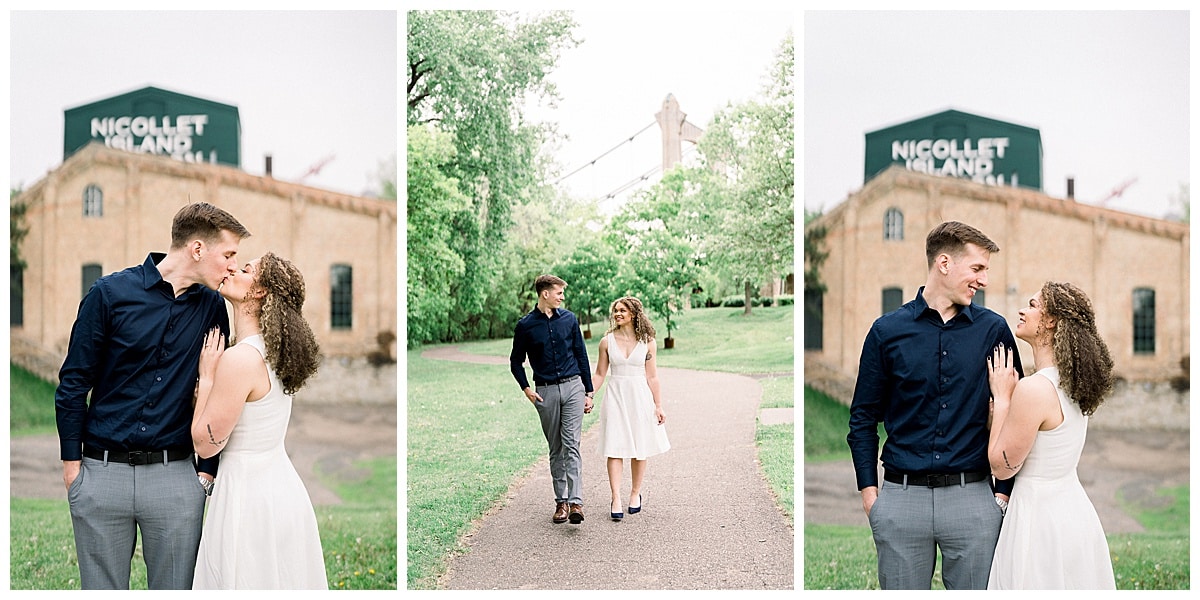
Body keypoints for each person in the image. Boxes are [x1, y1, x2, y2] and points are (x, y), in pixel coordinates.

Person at [55, 202, 250, 589]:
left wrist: (205, 474)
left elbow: (213, 394)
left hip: (175, 479)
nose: (232, 266)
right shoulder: (109, 294)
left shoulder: (213, 307)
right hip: (100, 474)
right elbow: (74, 382)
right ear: (197, 249)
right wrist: (73, 469)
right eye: (228, 254)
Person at [847, 220, 1024, 590]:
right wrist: (870, 496)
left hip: (973, 500)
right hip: (900, 500)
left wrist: (1002, 494)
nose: (984, 280)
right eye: (977, 268)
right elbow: (863, 418)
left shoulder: (994, 331)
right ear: (944, 264)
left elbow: (1016, 414)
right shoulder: (886, 332)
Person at [190, 252, 326, 589]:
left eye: (247, 269)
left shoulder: (241, 359)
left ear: (260, 291)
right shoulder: (272, 352)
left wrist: (206, 378)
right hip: (280, 490)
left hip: (248, 499)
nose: (233, 268)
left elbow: (204, 441)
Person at [985, 282, 1116, 589]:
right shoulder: (1072, 384)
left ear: (1051, 320)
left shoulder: (1035, 389)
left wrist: (1003, 399)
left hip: (1039, 516)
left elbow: (1002, 466)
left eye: (1031, 305)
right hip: (1073, 510)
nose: (1022, 310)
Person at [510, 274, 595, 524]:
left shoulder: (569, 319)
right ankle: (562, 502)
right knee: (556, 448)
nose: (562, 297)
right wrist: (526, 389)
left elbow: (581, 354)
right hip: (544, 392)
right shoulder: (525, 326)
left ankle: (576, 502)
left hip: (573, 388)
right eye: (559, 292)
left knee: (571, 444)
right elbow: (515, 361)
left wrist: (588, 391)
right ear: (545, 293)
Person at [591, 296, 670, 521]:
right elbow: (599, 374)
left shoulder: (648, 342)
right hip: (616, 395)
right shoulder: (606, 342)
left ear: (633, 314)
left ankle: (635, 493)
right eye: (615, 310)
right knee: (614, 447)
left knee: (639, 447)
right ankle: (615, 497)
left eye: (622, 310)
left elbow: (652, 376)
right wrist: (589, 395)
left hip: (640, 397)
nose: (617, 313)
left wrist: (658, 405)